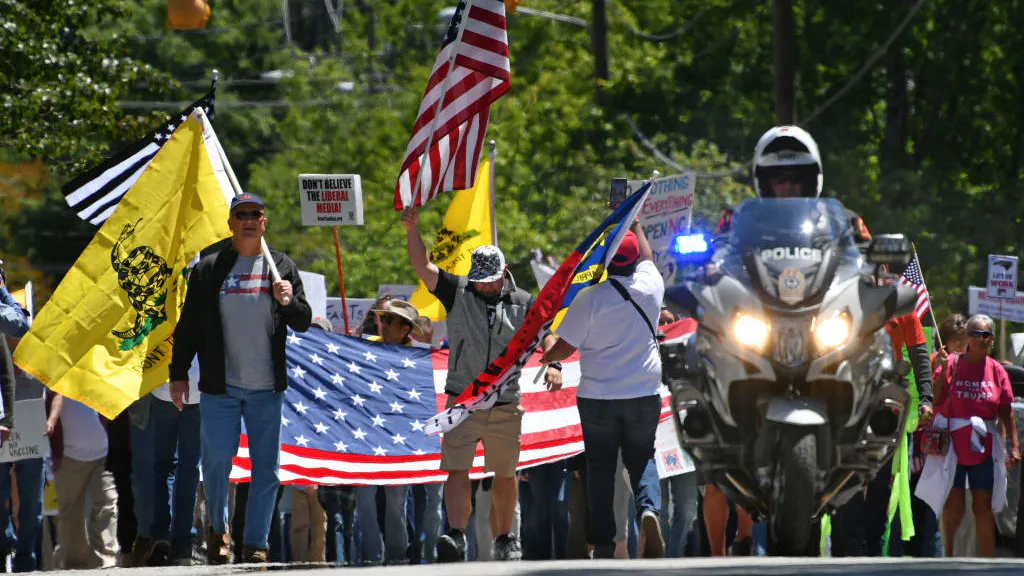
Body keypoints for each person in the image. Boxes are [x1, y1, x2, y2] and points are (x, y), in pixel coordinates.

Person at [401, 207, 559, 562]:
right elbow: (423, 267)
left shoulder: (523, 302)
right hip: (463, 400)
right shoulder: (458, 291)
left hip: (505, 402)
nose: (483, 285)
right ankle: (456, 535)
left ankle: (505, 538)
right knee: (457, 468)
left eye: (490, 280)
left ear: (504, 273)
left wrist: (555, 363)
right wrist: (413, 231)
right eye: (479, 279)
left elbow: (547, 334)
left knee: (505, 473)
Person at [169, 192, 312, 564]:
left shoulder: (281, 266)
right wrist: (178, 372)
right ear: (230, 223)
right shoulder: (209, 270)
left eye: (255, 214)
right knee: (217, 461)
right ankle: (219, 532)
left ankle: (256, 544)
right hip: (221, 386)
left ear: (264, 222)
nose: (248, 220)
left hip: (267, 388)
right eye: (241, 214)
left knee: (267, 469)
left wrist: (289, 301)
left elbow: (303, 321)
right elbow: (189, 326)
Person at [541, 224, 667, 559]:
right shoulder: (652, 285)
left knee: (599, 468)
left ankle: (605, 542)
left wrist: (548, 345)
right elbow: (648, 257)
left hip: (598, 398)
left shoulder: (590, 298)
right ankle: (649, 510)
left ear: (606, 260)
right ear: (635, 259)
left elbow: (564, 349)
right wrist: (634, 220)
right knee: (643, 458)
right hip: (643, 392)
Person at [917, 315, 1021, 557]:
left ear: (992, 340)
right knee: (955, 507)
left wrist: (1014, 446)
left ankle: (987, 562)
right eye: (975, 334)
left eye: (985, 335)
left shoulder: (996, 370)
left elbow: (1006, 411)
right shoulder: (953, 363)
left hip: (983, 447)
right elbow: (935, 398)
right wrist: (943, 370)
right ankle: (948, 557)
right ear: (967, 338)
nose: (980, 339)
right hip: (954, 446)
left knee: (983, 506)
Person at [354, 299, 423, 565]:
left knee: (396, 500)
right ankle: (372, 556)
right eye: (382, 318)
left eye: (390, 320)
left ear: (405, 329)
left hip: (397, 437)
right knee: (364, 497)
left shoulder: (416, 359)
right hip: (366, 434)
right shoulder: (366, 346)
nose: (382, 324)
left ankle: (397, 557)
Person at [129, 360, 202, 566]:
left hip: (164, 387)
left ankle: (161, 534)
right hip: (197, 389)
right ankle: (182, 544)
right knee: (188, 467)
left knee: (164, 465)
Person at [49, 394, 119, 568]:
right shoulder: (58, 380)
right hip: (68, 456)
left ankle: (106, 559)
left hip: (102, 454)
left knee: (106, 503)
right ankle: (76, 565)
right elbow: (52, 400)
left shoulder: (99, 378)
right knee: (71, 514)